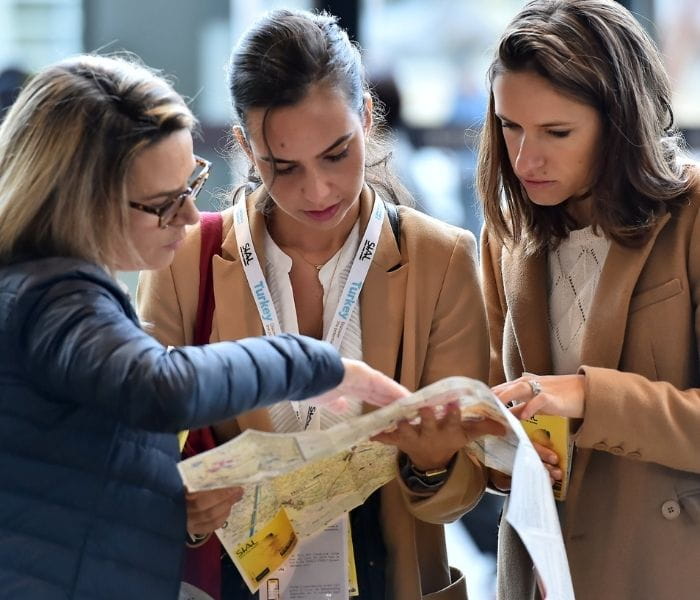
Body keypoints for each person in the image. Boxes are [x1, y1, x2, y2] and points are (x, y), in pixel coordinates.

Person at [0, 54, 408, 600]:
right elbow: (161, 385)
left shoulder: (37, 286)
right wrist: (315, 364)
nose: (191, 218)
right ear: (82, 201)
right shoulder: (57, 297)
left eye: (192, 183)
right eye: (164, 204)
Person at [138, 9, 503, 600]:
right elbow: (137, 448)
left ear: (365, 117)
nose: (317, 190)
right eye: (282, 166)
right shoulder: (188, 261)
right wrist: (176, 503)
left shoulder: (440, 260)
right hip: (233, 578)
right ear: (244, 148)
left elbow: (460, 497)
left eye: (337, 153)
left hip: (390, 578)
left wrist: (432, 465)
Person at [477, 1, 700, 598]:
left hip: (664, 570)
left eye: (557, 132)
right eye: (509, 125)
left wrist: (586, 394)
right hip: (543, 572)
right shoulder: (506, 231)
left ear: (622, 122)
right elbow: (498, 407)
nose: (525, 159)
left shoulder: (693, 213)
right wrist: (498, 448)